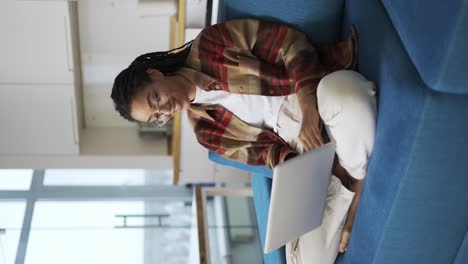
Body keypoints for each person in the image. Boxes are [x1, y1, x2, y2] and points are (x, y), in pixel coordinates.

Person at [111, 18, 376, 263]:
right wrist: (299, 172)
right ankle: (345, 170)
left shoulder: (211, 44)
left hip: (316, 91)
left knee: (348, 99)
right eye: (156, 117)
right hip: (303, 143)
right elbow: (269, 155)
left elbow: (291, 45)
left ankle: (352, 189)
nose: (165, 110)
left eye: (155, 98)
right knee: (305, 259)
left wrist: (308, 108)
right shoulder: (206, 131)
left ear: (156, 75)